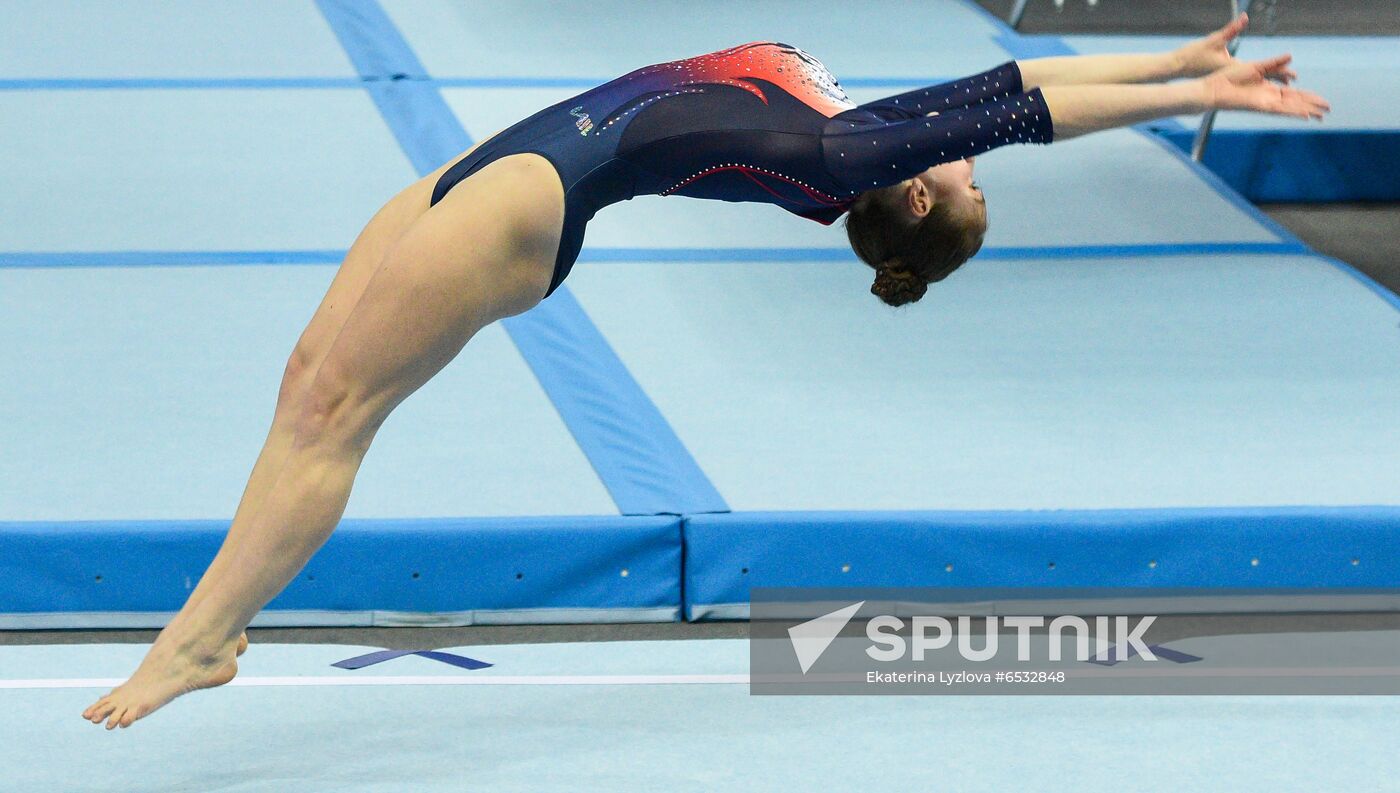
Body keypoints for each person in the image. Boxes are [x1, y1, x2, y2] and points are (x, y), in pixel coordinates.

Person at [84, 14, 1326, 728]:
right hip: (502, 164)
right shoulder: (875, 136)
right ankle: (211, 627)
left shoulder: (851, 157)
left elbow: (1028, 116)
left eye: (973, 189)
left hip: (534, 197)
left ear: (911, 197)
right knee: (308, 375)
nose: (972, 164)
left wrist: (1183, 91)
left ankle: (203, 637)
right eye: (977, 182)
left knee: (331, 411)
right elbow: (1022, 82)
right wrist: (1179, 72)